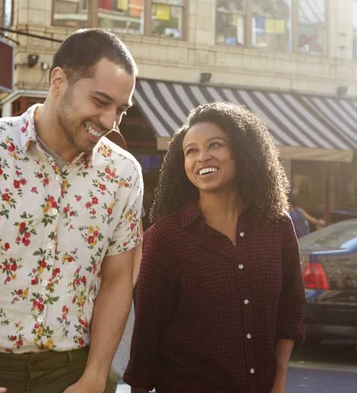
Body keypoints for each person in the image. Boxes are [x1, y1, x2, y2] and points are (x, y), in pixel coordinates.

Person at [0, 28, 143, 393]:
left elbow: (117, 278)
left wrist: (96, 375)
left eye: (121, 109)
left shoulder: (124, 173)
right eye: (100, 100)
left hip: (73, 374)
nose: (111, 120)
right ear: (58, 81)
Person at [124, 102, 306, 393]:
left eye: (215, 145)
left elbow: (291, 306)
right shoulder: (165, 238)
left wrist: (279, 376)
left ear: (242, 151)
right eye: (191, 150)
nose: (202, 157)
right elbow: (146, 336)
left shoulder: (277, 225)